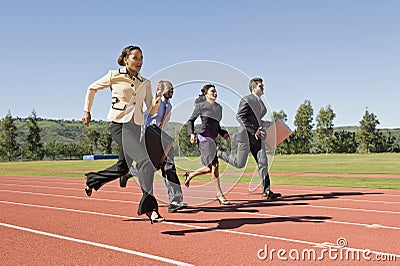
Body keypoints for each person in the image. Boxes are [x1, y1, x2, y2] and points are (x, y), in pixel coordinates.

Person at [82, 45, 164, 223]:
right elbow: (91, 88)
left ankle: (92, 180)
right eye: (135, 57)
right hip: (119, 125)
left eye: (141, 58)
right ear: (126, 59)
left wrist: (157, 99)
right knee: (144, 160)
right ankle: (151, 209)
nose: (139, 61)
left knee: (123, 168)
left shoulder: (145, 83)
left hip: (135, 128)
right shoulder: (114, 76)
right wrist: (87, 111)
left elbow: (150, 109)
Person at [120, 80, 188, 213]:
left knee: (169, 166)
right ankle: (129, 171)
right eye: (170, 89)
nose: (172, 91)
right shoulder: (154, 102)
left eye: (173, 89)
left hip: (159, 137)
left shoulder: (169, 106)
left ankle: (175, 200)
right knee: (148, 168)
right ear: (162, 90)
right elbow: (145, 116)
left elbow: (163, 124)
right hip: (148, 137)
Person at [218, 77, 281, 200]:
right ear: (253, 88)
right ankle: (219, 153)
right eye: (260, 86)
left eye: (263, 86)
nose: (263, 88)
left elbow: (255, 119)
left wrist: (264, 123)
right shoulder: (246, 99)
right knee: (240, 164)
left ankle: (266, 191)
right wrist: (254, 130)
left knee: (263, 162)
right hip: (246, 137)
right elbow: (240, 117)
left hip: (258, 138)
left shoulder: (261, 103)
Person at [184, 84, 231, 205]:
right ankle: (219, 194)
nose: (215, 93)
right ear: (206, 94)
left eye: (216, 91)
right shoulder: (201, 106)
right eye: (212, 91)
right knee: (214, 166)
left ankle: (191, 174)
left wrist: (224, 134)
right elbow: (191, 120)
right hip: (203, 138)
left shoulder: (219, 108)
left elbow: (217, 125)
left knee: (211, 168)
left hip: (213, 139)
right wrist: (191, 134)